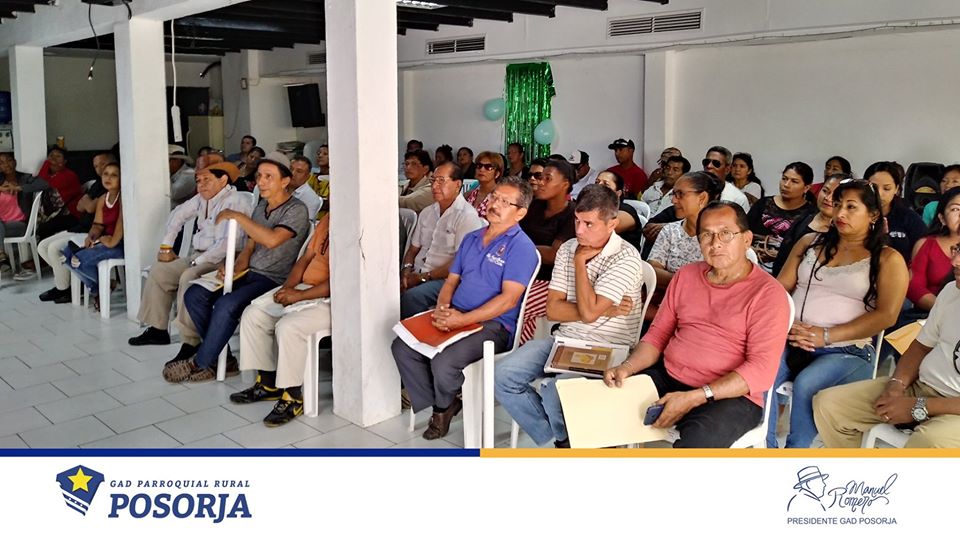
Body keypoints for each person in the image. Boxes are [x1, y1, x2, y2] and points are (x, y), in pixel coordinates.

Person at [603, 201, 791, 447]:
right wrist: (627, 367)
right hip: (669, 377)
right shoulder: (686, 275)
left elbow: (761, 370)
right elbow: (657, 335)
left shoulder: (768, 294)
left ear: (746, 239)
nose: (715, 243)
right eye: (706, 235)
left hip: (730, 396)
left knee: (696, 445)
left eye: (725, 233)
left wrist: (695, 397)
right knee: (600, 411)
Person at [495, 184, 644, 447]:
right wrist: (605, 309)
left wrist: (579, 264)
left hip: (609, 347)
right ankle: (562, 439)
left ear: (612, 224)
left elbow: (588, 312)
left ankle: (570, 443)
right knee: (504, 375)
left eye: (589, 224)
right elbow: (553, 310)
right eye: (577, 220)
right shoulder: (568, 248)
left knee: (557, 389)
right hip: (565, 339)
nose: (579, 230)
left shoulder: (625, 258)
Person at [392, 177, 539, 440]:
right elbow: (450, 282)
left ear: (520, 213)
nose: (495, 204)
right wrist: (442, 309)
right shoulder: (472, 238)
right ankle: (446, 401)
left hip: (494, 326)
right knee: (402, 347)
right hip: (456, 314)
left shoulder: (521, 247)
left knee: (444, 360)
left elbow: (508, 300)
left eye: (505, 202)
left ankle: (441, 409)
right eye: (494, 197)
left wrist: (462, 320)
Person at [767, 180, 908, 448]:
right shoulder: (809, 243)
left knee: (807, 383)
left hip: (848, 350)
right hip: (793, 338)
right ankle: (768, 448)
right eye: (838, 204)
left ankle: (795, 455)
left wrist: (826, 335)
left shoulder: (887, 259)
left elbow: (886, 315)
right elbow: (778, 290)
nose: (841, 213)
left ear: (873, 215)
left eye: (851, 207)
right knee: (762, 368)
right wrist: (786, 324)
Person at [165, 153, 311, 383]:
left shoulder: (296, 210)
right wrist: (233, 267)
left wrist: (236, 216)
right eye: (259, 176)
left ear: (285, 181)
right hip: (249, 272)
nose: (261, 182)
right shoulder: (261, 207)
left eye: (269, 177)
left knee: (226, 304)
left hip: (273, 278)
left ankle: (199, 362)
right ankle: (222, 359)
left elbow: (272, 240)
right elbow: (250, 246)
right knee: (194, 294)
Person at [813, 241, 960, 448]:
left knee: (929, 442)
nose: (954, 261)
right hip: (921, 387)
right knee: (829, 405)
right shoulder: (951, 292)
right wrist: (896, 386)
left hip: (953, 407)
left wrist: (919, 406)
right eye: (957, 249)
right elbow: (921, 347)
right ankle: (855, 469)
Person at [128, 163, 254, 353]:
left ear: (223, 180)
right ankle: (157, 330)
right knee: (160, 270)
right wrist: (166, 247)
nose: (201, 185)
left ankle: (190, 341)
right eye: (198, 181)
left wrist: (196, 262)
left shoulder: (235, 201)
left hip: (226, 260)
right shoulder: (202, 199)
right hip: (200, 255)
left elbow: (225, 245)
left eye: (206, 180)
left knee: (189, 276)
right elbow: (177, 215)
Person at [231, 214, 334, 426]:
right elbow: (305, 259)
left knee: (288, 327)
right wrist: (287, 288)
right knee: (253, 314)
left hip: (334, 299)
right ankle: (268, 383)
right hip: (305, 288)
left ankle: (293, 397)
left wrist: (300, 296)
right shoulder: (328, 219)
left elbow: (343, 279)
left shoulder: (359, 223)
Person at [400, 162, 483, 318]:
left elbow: (460, 262)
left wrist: (423, 277)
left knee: (412, 298)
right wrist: (406, 270)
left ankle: (407, 333)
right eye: (433, 180)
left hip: (445, 279)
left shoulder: (467, 217)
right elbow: (413, 249)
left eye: (441, 181)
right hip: (416, 273)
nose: (434, 186)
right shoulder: (427, 212)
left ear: (457, 185)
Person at [35, 152, 117, 301]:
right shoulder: (98, 184)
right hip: (80, 227)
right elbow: (81, 206)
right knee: (42, 246)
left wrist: (89, 203)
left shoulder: (112, 186)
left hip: (94, 232)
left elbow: (90, 208)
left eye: (103, 164)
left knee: (54, 248)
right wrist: (89, 203)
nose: (100, 169)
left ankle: (64, 289)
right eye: (96, 166)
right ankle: (69, 285)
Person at [518, 160, 577, 343]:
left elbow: (554, 255)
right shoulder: (534, 206)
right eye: (540, 177)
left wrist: (519, 248)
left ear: (565, 184)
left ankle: (516, 345)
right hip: (523, 274)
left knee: (515, 302)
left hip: (552, 282)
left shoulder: (572, 215)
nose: (540, 182)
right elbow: (511, 234)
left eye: (547, 178)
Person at [63, 162, 124, 311]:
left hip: (119, 244)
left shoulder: (124, 198)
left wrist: (109, 241)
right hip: (105, 242)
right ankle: (101, 289)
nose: (108, 178)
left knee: (78, 260)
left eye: (114, 175)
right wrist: (91, 237)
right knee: (67, 254)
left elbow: (121, 225)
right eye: (106, 174)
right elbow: (98, 225)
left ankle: (99, 290)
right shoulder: (103, 198)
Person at [648, 171, 724, 289]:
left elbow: (718, 281)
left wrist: (670, 278)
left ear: (702, 198)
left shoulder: (721, 238)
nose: (673, 200)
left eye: (680, 194)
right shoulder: (670, 231)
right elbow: (652, 271)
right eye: (673, 194)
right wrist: (689, 282)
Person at [771, 173, 847, 277]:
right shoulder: (805, 216)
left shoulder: (843, 232)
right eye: (825, 191)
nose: (828, 198)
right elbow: (783, 255)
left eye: (835, 195)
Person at [747, 162, 814, 269]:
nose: (786, 184)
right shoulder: (763, 204)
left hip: (788, 268)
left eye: (794, 181)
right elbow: (744, 232)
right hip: (753, 263)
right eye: (784, 178)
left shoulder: (811, 214)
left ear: (806, 188)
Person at [906, 187, 960, 314]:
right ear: (942, 218)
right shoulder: (926, 244)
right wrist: (945, 310)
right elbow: (915, 287)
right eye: (955, 209)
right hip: (932, 314)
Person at [866, 161, 926, 263]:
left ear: (896, 189)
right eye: (873, 187)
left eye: (886, 188)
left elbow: (923, 254)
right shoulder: (855, 215)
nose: (879, 193)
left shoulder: (909, 218)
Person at [594, 170, 644, 251]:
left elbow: (600, 230)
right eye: (597, 182)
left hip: (623, 256)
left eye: (606, 184)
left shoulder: (626, 212)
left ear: (618, 193)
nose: (599, 186)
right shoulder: (594, 208)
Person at [37, 146, 82, 221]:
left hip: (70, 215)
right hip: (55, 215)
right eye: (51, 155)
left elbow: (42, 183)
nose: (53, 158)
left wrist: (46, 163)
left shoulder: (69, 175)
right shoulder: (50, 175)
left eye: (58, 156)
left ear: (64, 161)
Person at [702, 145, 750, 211]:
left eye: (716, 163)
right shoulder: (693, 189)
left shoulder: (738, 198)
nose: (709, 166)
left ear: (727, 169)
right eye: (706, 162)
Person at [464, 151, 504, 219]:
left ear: (497, 174)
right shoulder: (469, 195)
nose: (482, 169)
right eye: (479, 166)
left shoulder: (501, 197)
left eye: (488, 167)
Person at [398, 149, 434, 214]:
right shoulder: (402, 184)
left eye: (414, 164)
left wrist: (387, 199)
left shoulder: (431, 187)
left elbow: (410, 201)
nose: (408, 167)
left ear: (425, 169)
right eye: (406, 164)